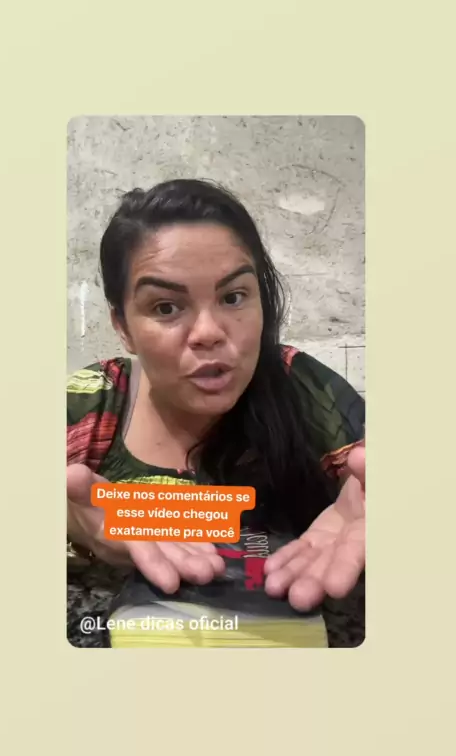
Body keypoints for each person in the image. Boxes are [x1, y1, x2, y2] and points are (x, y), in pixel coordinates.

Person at [67, 178, 365, 645]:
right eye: (166, 306)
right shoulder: (92, 402)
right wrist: (70, 524)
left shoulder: (297, 384)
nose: (208, 332)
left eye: (233, 297)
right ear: (122, 326)